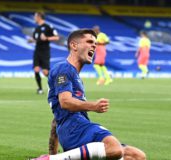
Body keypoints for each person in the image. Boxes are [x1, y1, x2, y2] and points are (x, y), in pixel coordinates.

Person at [32, 29, 146, 160]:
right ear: (74, 45)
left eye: (95, 43)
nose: (94, 46)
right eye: (90, 42)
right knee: (113, 148)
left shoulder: (74, 76)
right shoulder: (63, 68)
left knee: (136, 156)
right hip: (75, 129)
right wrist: (93, 106)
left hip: (76, 129)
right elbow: (65, 102)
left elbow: (56, 120)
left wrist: (52, 152)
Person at [28, 11, 59, 94]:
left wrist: (47, 38)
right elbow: (36, 39)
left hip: (45, 51)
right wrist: (31, 40)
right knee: (36, 69)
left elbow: (56, 37)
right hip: (37, 51)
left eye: (35, 16)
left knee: (45, 72)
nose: (34, 18)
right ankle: (40, 89)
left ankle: (56, 85)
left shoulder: (48, 26)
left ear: (39, 17)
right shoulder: (37, 28)